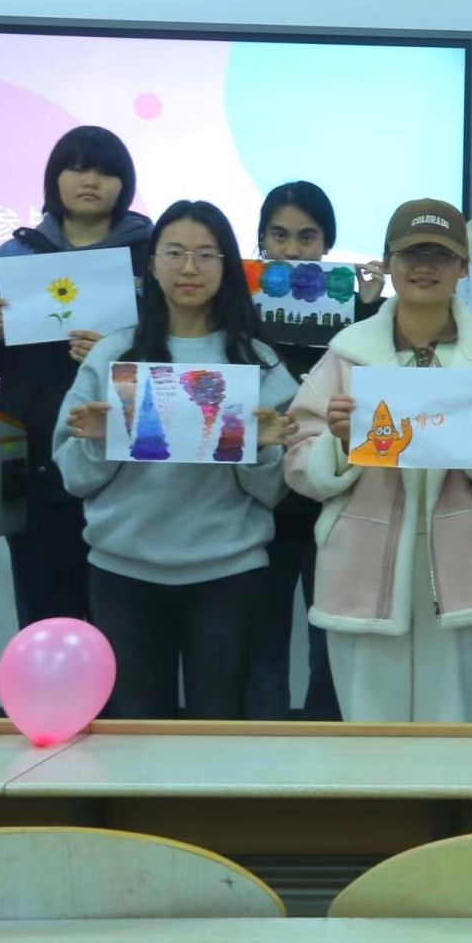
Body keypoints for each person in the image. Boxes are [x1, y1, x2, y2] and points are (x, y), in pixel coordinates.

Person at [284, 201, 472, 723]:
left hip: (465, 573)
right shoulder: (347, 355)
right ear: (387, 263)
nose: (425, 267)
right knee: (368, 738)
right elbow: (298, 458)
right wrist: (339, 443)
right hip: (361, 571)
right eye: (410, 254)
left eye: (440, 256)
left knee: (456, 733)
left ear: (463, 266)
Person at [51, 201, 297, 719]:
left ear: (227, 267)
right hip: (122, 572)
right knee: (136, 735)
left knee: (218, 729)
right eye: (176, 253)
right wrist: (98, 441)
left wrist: (258, 447)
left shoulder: (258, 364)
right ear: (152, 265)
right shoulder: (112, 356)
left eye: (206, 255)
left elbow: (273, 491)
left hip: (228, 573)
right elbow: (74, 478)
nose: (190, 268)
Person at [0, 125, 152, 628]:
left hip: (127, 462)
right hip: (36, 461)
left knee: (123, 624)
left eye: (105, 171)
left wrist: (117, 357)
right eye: (77, 168)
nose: (91, 180)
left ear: (125, 184)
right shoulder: (14, 257)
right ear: (54, 178)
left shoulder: (153, 258)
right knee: (45, 614)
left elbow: (184, 349)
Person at [243, 181, 384, 721]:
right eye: (279, 235)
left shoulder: (363, 314)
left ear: (327, 244)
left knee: (331, 649)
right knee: (262, 648)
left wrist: (367, 308)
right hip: (259, 505)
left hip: (333, 503)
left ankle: (329, 753)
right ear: (261, 240)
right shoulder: (237, 311)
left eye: (307, 237)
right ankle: (262, 756)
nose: (292, 250)